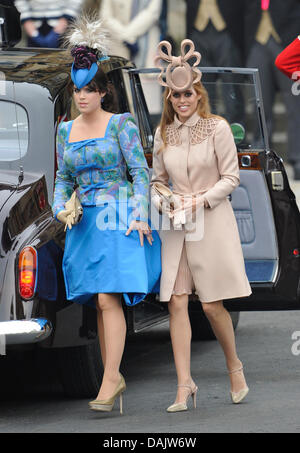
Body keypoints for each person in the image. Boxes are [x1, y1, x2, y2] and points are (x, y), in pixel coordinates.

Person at [52, 17, 161, 414]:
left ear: (102, 92)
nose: (82, 97)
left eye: (89, 90)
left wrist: (140, 214)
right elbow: (63, 179)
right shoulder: (65, 132)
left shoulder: (121, 125)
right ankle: (111, 377)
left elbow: (140, 173)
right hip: (84, 224)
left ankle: (111, 377)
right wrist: (61, 207)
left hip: (119, 217)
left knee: (107, 297)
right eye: (77, 90)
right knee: (99, 303)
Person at [151, 38, 251, 412]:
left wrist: (200, 199)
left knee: (211, 306)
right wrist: (164, 200)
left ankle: (234, 367)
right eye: (176, 96)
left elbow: (232, 177)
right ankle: (183, 385)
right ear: (169, 99)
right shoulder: (163, 134)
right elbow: (157, 180)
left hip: (211, 220)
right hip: (177, 226)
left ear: (198, 93)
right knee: (176, 303)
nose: (182, 101)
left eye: (188, 94)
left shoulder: (218, 128)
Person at [244, 0, 300, 179]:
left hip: (287, 42)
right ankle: (262, 156)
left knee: (294, 106)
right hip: (257, 43)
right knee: (261, 104)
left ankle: (297, 159)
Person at [185, 0, 245, 126]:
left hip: (227, 28)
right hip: (197, 27)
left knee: (231, 85)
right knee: (202, 85)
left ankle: (234, 132)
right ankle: (207, 129)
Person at [99, 0, 163, 117]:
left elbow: (152, 13)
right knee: (121, 106)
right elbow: (105, 17)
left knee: (148, 111)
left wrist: (128, 35)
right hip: (118, 49)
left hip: (147, 52)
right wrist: (126, 37)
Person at [14, 0, 84, 47]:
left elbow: (75, 2)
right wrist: (32, 30)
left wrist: (65, 20)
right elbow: (20, 2)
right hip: (33, 26)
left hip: (63, 27)